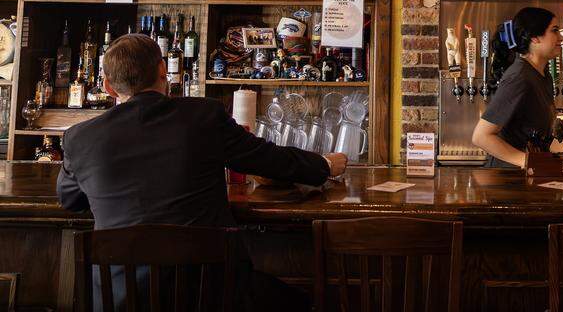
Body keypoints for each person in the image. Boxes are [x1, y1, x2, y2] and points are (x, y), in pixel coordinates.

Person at [57, 34, 346, 311]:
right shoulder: (204, 116)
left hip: (121, 298)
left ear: (107, 86)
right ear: (163, 70)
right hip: (210, 295)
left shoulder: (79, 138)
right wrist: (323, 165)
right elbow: (268, 159)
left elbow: (70, 200)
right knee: (300, 300)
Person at [472, 8, 563, 168]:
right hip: (506, 181)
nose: (561, 37)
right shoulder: (519, 77)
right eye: (554, 31)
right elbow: (481, 137)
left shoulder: (543, 75)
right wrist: (528, 162)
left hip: (526, 179)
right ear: (534, 37)